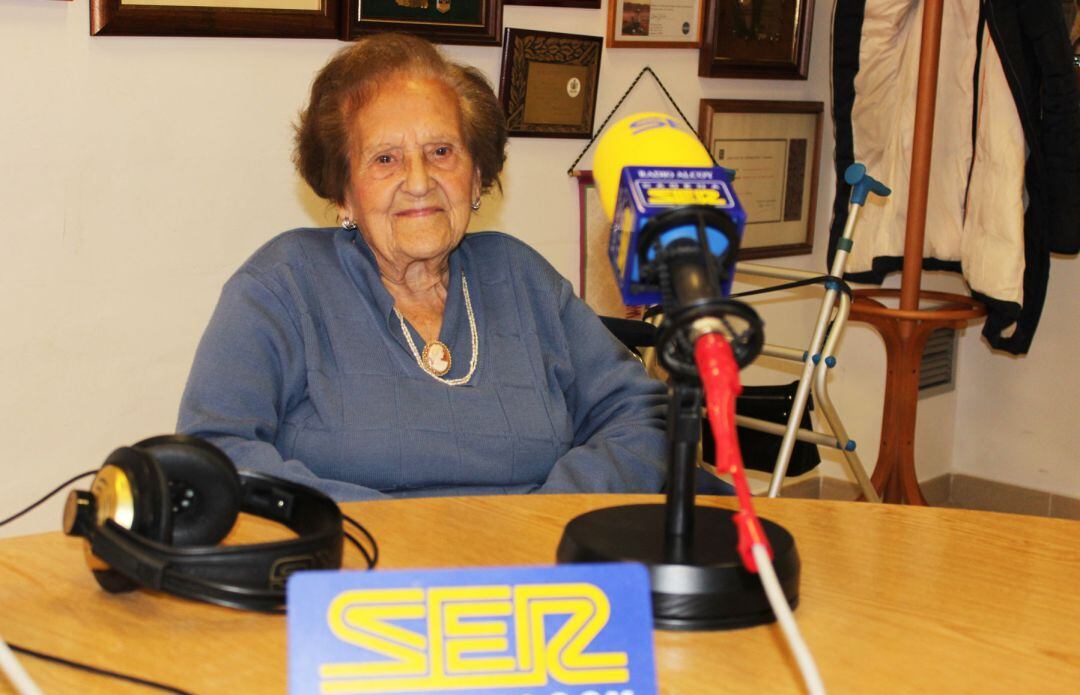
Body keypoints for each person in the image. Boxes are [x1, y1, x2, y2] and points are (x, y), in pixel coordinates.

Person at [176, 33, 668, 501]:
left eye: (441, 152)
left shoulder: (522, 277)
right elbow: (217, 448)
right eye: (386, 158)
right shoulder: (284, 283)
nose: (418, 181)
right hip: (356, 570)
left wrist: (546, 520)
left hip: (534, 569)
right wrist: (403, 534)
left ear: (476, 177)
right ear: (343, 191)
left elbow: (642, 416)